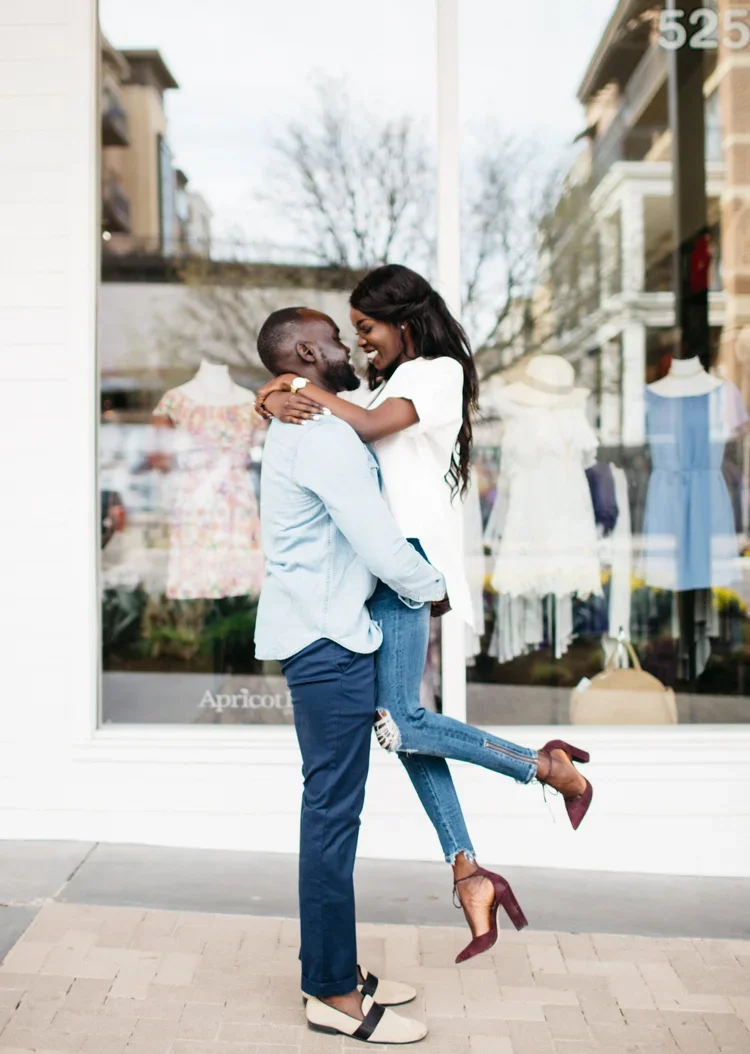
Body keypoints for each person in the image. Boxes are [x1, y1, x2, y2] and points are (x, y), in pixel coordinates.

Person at [256, 265, 594, 965]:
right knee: (400, 728)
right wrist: (279, 389)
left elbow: (372, 424)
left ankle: (544, 767)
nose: (363, 343)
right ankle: (469, 871)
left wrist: (294, 385)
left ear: (403, 322)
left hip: (408, 564)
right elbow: (349, 413)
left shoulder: (435, 373)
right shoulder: (383, 381)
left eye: (367, 330)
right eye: (352, 335)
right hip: (382, 570)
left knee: (403, 721)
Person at [254, 306, 447, 1045]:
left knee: (331, 813)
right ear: (307, 350)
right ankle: (331, 991)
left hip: (323, 636)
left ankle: (337, 967)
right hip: (329, 643)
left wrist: (268, 392)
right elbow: (376, 539)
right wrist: (434, 587)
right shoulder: (320, 432)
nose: (347, 345)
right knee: (332, 816)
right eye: (336, 336)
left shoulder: (305, 420)